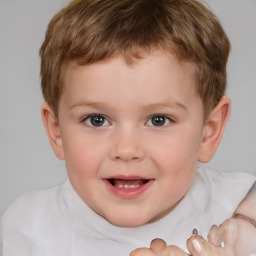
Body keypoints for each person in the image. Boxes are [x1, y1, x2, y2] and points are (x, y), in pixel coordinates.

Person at [1, 0, 255, 255]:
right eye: (96, 120)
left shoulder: (243, 212)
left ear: (208, 132)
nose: (126, 149)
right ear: (57, 131)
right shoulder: (30, 227)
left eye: (159, 120)